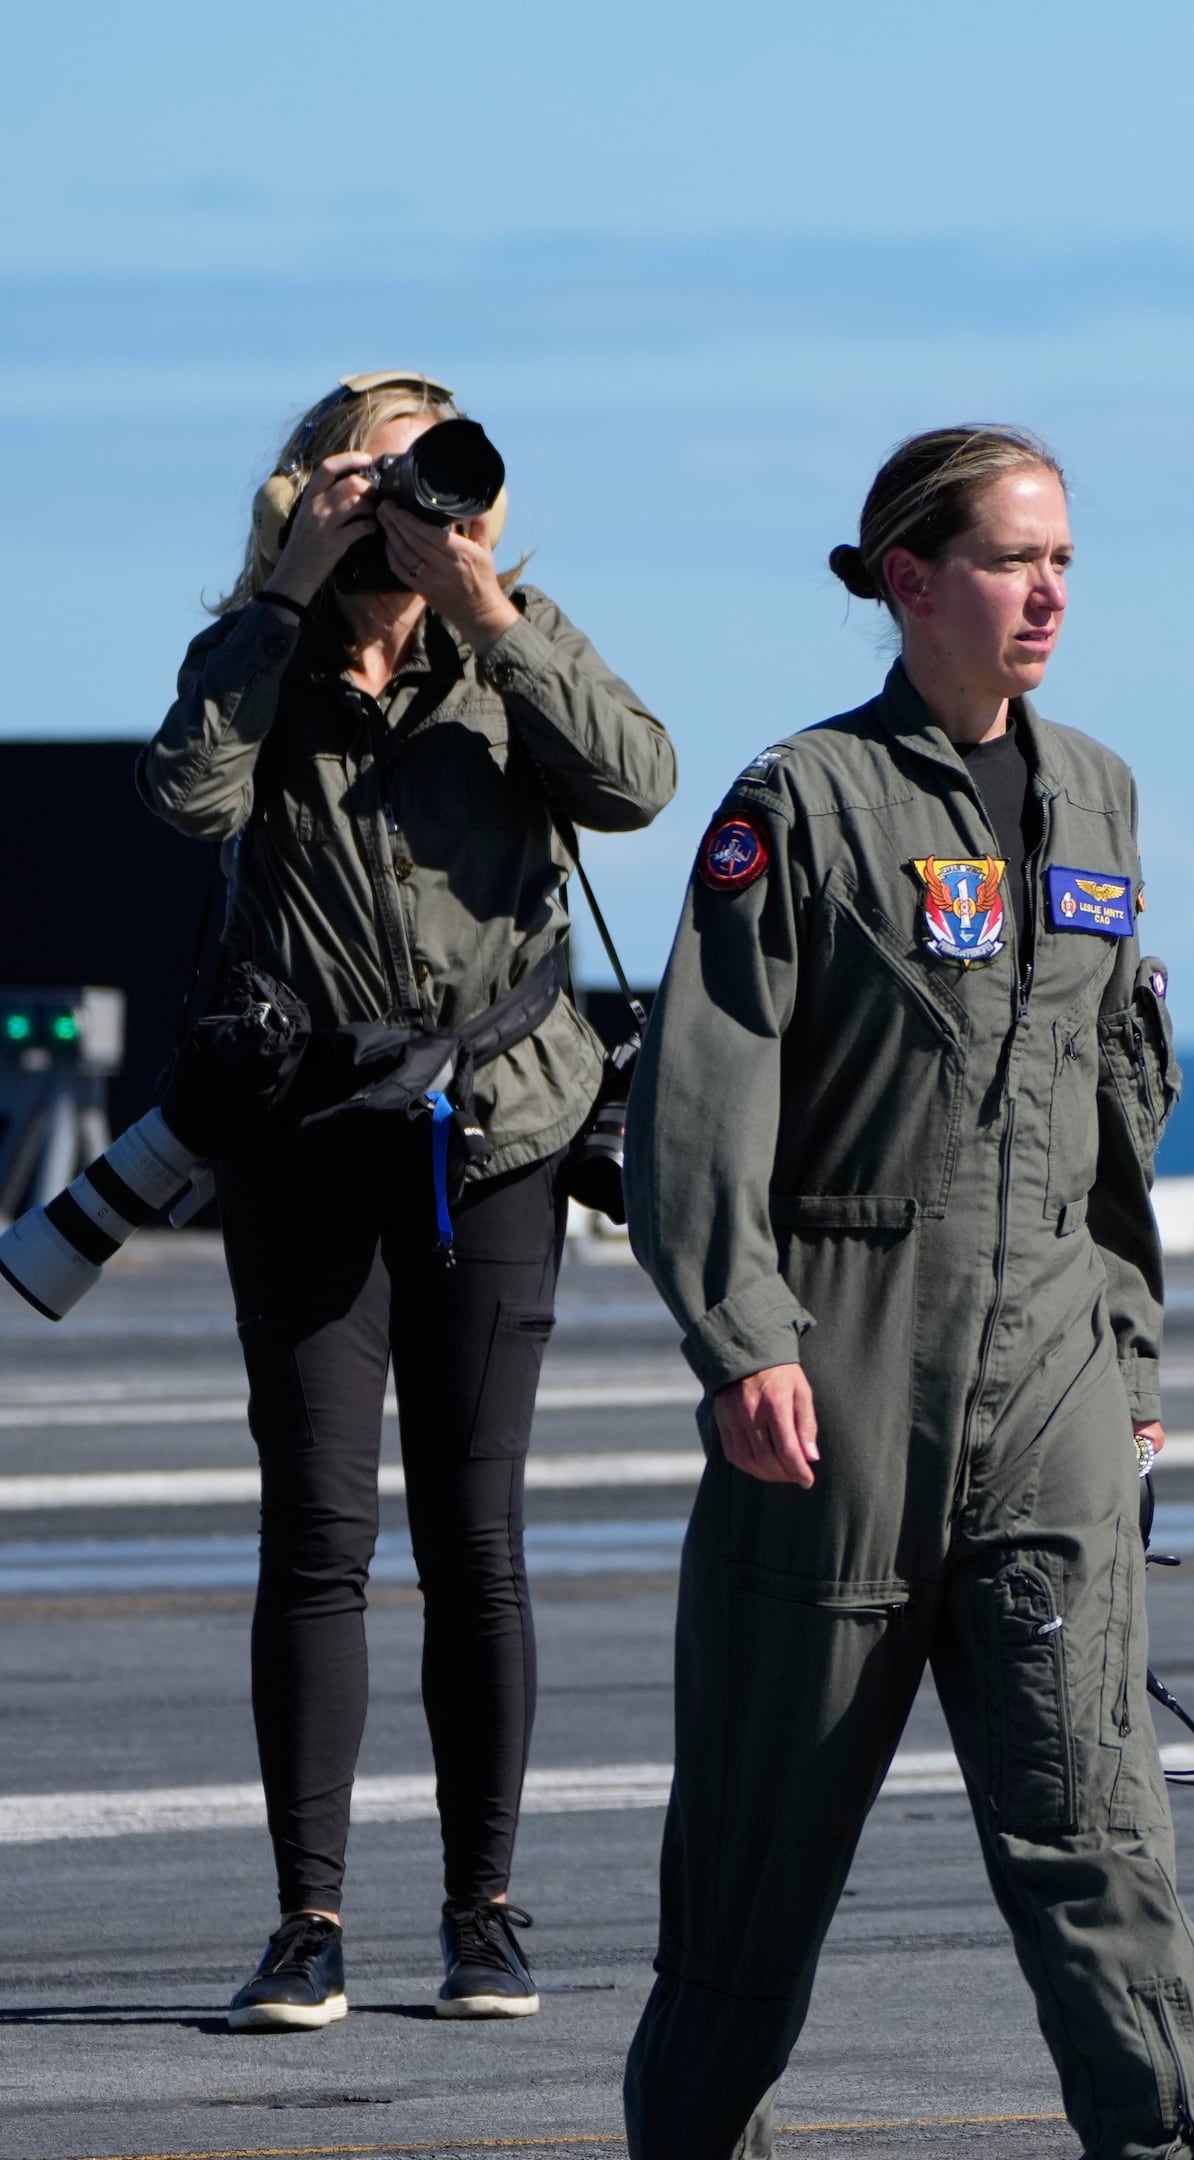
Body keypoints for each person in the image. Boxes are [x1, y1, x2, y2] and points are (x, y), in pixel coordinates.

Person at [618, 425, 1194, 2156]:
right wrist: (743, 1338)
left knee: (1104, 1859)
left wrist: (1127, 1352)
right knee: (750, 1896)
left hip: (1052, 1389)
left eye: (1063, 562)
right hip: (841, 1389)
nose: (1046, 593)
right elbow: (702, 1096)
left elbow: (1113, 1111)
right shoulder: (797, 806)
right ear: (908, 580)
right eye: (1008, 559)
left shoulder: (1099, 795)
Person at [140, 370, 676, 2032]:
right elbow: (185, 798)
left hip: (494, 1131)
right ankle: (307, 1921)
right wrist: (296, 586)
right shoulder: (260, 649)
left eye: (436, 466)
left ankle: (483, 1910)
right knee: (315, 1533)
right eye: (380, 466)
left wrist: (487, 608)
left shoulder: (508, 641)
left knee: (476, 1531)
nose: (413, 496)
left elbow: (640, 781)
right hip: (304, 1134)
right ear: (314, 483)